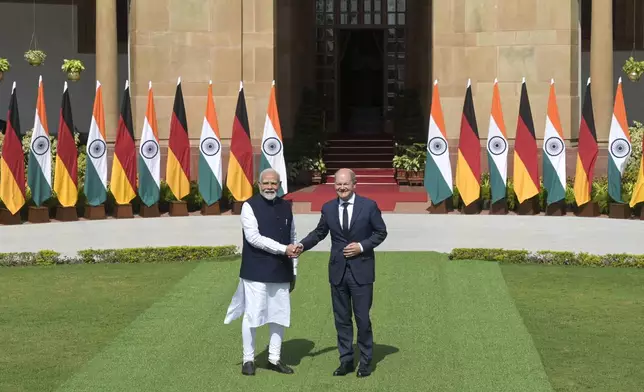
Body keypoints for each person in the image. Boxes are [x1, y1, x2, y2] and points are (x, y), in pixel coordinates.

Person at [295, 168, 387, 378]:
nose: (342, 188)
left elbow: (381, 232)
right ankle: (346, 360)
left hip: (361, 271)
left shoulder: (369, 206)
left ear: (354, 185)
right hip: (337, 272)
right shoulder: (328, 208)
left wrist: (362, 246)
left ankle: (365, 362)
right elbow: (319, 233)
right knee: (341, 319)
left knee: (362, 319)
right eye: (338, 184)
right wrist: (301, 246)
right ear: (333, 185)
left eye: (345, 184)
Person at [224, 168, 300, 376]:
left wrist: (294, 269)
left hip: (281, 270)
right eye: (265, 183)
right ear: (258, 185)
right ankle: (248, 359)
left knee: (279, 315)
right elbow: (254, 238)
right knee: (253, 315)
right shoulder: (249, 206)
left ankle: (274, 359)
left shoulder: (286, 206)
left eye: (273, 183)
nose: (269, 187)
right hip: (256, 270)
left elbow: (292, 235)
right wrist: (284, 249)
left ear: (279, 184)